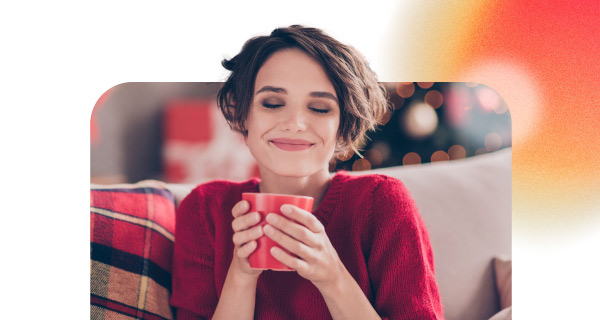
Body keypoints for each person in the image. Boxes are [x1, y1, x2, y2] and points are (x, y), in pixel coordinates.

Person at [170, 25, 443, 320]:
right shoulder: (204, 210)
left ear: (343, 126)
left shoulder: (382, 203)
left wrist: (333, 277)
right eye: (273, 103)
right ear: (243, 114)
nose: (295, 123)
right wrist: (240, 278)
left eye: (320, 108)